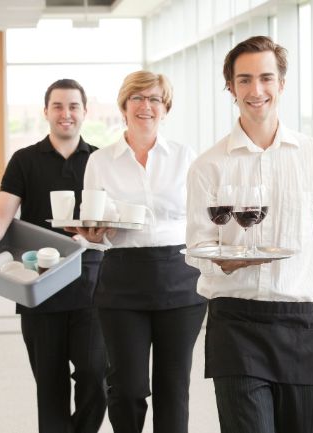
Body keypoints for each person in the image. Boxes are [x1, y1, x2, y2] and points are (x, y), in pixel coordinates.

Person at [185, 35, 313, 433]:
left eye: (266, 78)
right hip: (235, 321)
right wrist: (226, 261)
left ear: (282, 83)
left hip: (298, 322)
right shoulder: (207, 166)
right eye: (244, 80)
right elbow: (196, 249)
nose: (256, 90)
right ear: (230, 87)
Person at [0, 79, 107, 433]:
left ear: (84, 112)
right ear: (46, 112)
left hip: (93, 284)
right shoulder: (24, 160)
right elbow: (2, 213)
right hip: (39, 285)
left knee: (95, 376)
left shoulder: (101, 160)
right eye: (58, 106)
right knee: (50, 385)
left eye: (73, 106)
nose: (66, 114)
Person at [79, 70, 207, 433]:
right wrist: (94, 232)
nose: (145, 106)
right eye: (137, 98)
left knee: (173, 388)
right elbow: (93, 227)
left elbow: (202, 219)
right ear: (124, 106)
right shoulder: (101, 161)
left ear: (165, 108)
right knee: (128, 388)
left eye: (154, 99)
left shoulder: (185, 157)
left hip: (180, 279)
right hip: (122, 280)